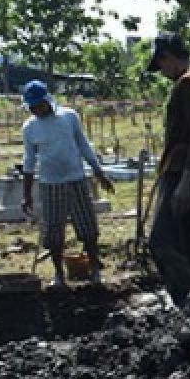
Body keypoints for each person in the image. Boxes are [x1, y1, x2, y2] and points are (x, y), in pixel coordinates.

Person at [20, 81, 114, 288]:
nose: (37, 110)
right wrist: (26, 194)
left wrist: (98, 172)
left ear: (48, 100)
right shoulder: (30, 128)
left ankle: (95, 269)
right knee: (53, 231)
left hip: (76, 179)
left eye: (40, 105)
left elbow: (83, 144)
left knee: (87, 226)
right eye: (32, 107)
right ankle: (59, 274)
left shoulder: (68, 117)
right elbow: (29, 160)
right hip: (50, 183)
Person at [146, 32, 190, 307]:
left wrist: (185, 181)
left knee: (161, 241)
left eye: (161, 66)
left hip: (182, 170)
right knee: (189, 242)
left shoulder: (187, 84)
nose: (162, 73)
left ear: (168, 58)